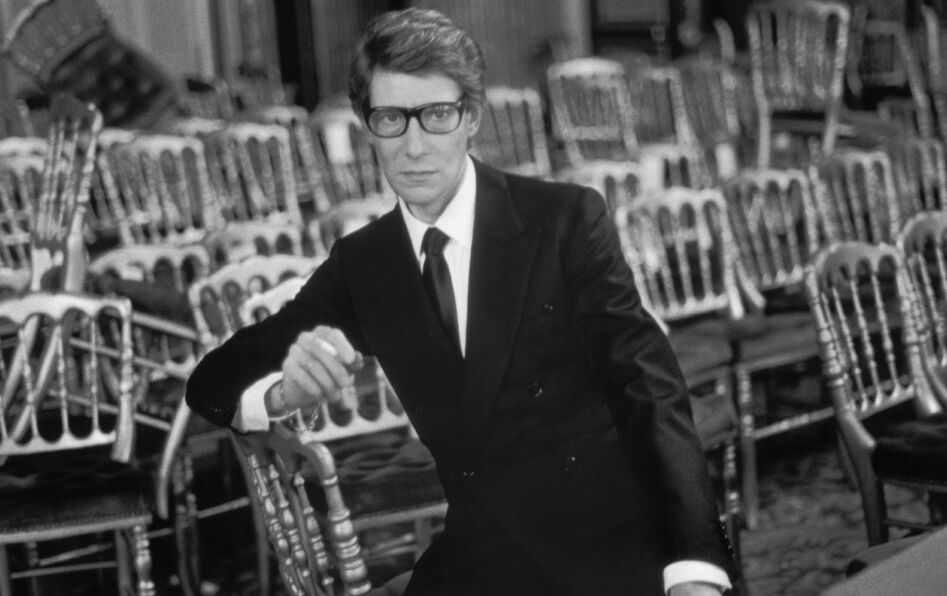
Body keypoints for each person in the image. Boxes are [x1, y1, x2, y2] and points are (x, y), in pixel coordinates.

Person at [185, 8, 736, 595]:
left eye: (437, 115)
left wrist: (694, 568)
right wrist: (282, 394)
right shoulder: (363, 265)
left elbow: (649, 391)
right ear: (367, 128)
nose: (414, 146)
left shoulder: (564, 219)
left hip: (618, 544)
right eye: (391, 118)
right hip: (485, 554)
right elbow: (210, 382)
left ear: (470, 117)